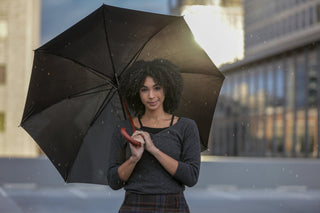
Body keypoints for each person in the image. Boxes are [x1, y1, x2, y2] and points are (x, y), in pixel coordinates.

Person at [107, 59, 201, 213]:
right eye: (144, 89)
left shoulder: (186, 127)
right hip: (134, 205)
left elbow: (191, 177)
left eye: (157, 88)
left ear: (167, 88)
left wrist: (153, 150)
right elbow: (114, 181)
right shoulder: (123, 129)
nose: (151, 95)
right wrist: (133, 159)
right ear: (136, 92)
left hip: (173, 206)